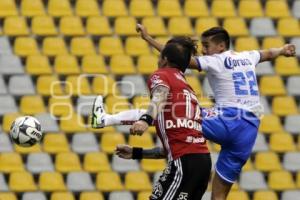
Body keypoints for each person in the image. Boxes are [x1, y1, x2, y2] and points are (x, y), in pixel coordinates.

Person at [92, 25, 296, 200]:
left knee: (173, 113)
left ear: (221, 46)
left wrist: (148, 39)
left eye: (207, 46)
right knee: (218, 196)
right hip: (249, 129)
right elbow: (268, 53)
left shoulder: (217, 60)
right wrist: (283, 50)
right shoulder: (248, 56)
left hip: (229, 119)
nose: (205, 51)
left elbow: (177, 58)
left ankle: (106, 119)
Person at [116, 37, 211, 200]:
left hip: (184, 162)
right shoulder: (185, 86)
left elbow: (160, 93)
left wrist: (145, 119)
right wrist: (137, 153)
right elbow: (172, 147)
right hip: (202, 162)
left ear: (164, 60)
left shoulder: (162, 75)